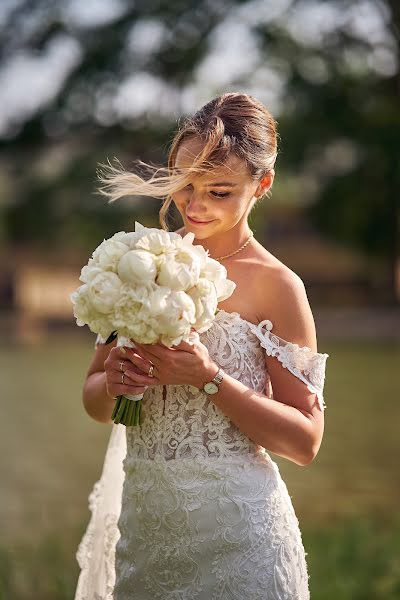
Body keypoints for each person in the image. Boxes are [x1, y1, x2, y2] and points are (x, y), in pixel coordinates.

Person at [74, 92, 329, 600]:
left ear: (262, 184)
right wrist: (116, 382)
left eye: (219, 190)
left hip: (240, 536)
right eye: (185, 184)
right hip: (146, 537)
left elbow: (305, 441)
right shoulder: (139, 262)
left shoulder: (279, 286)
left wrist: (209, 378)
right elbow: (96, 401)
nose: (195, 205)